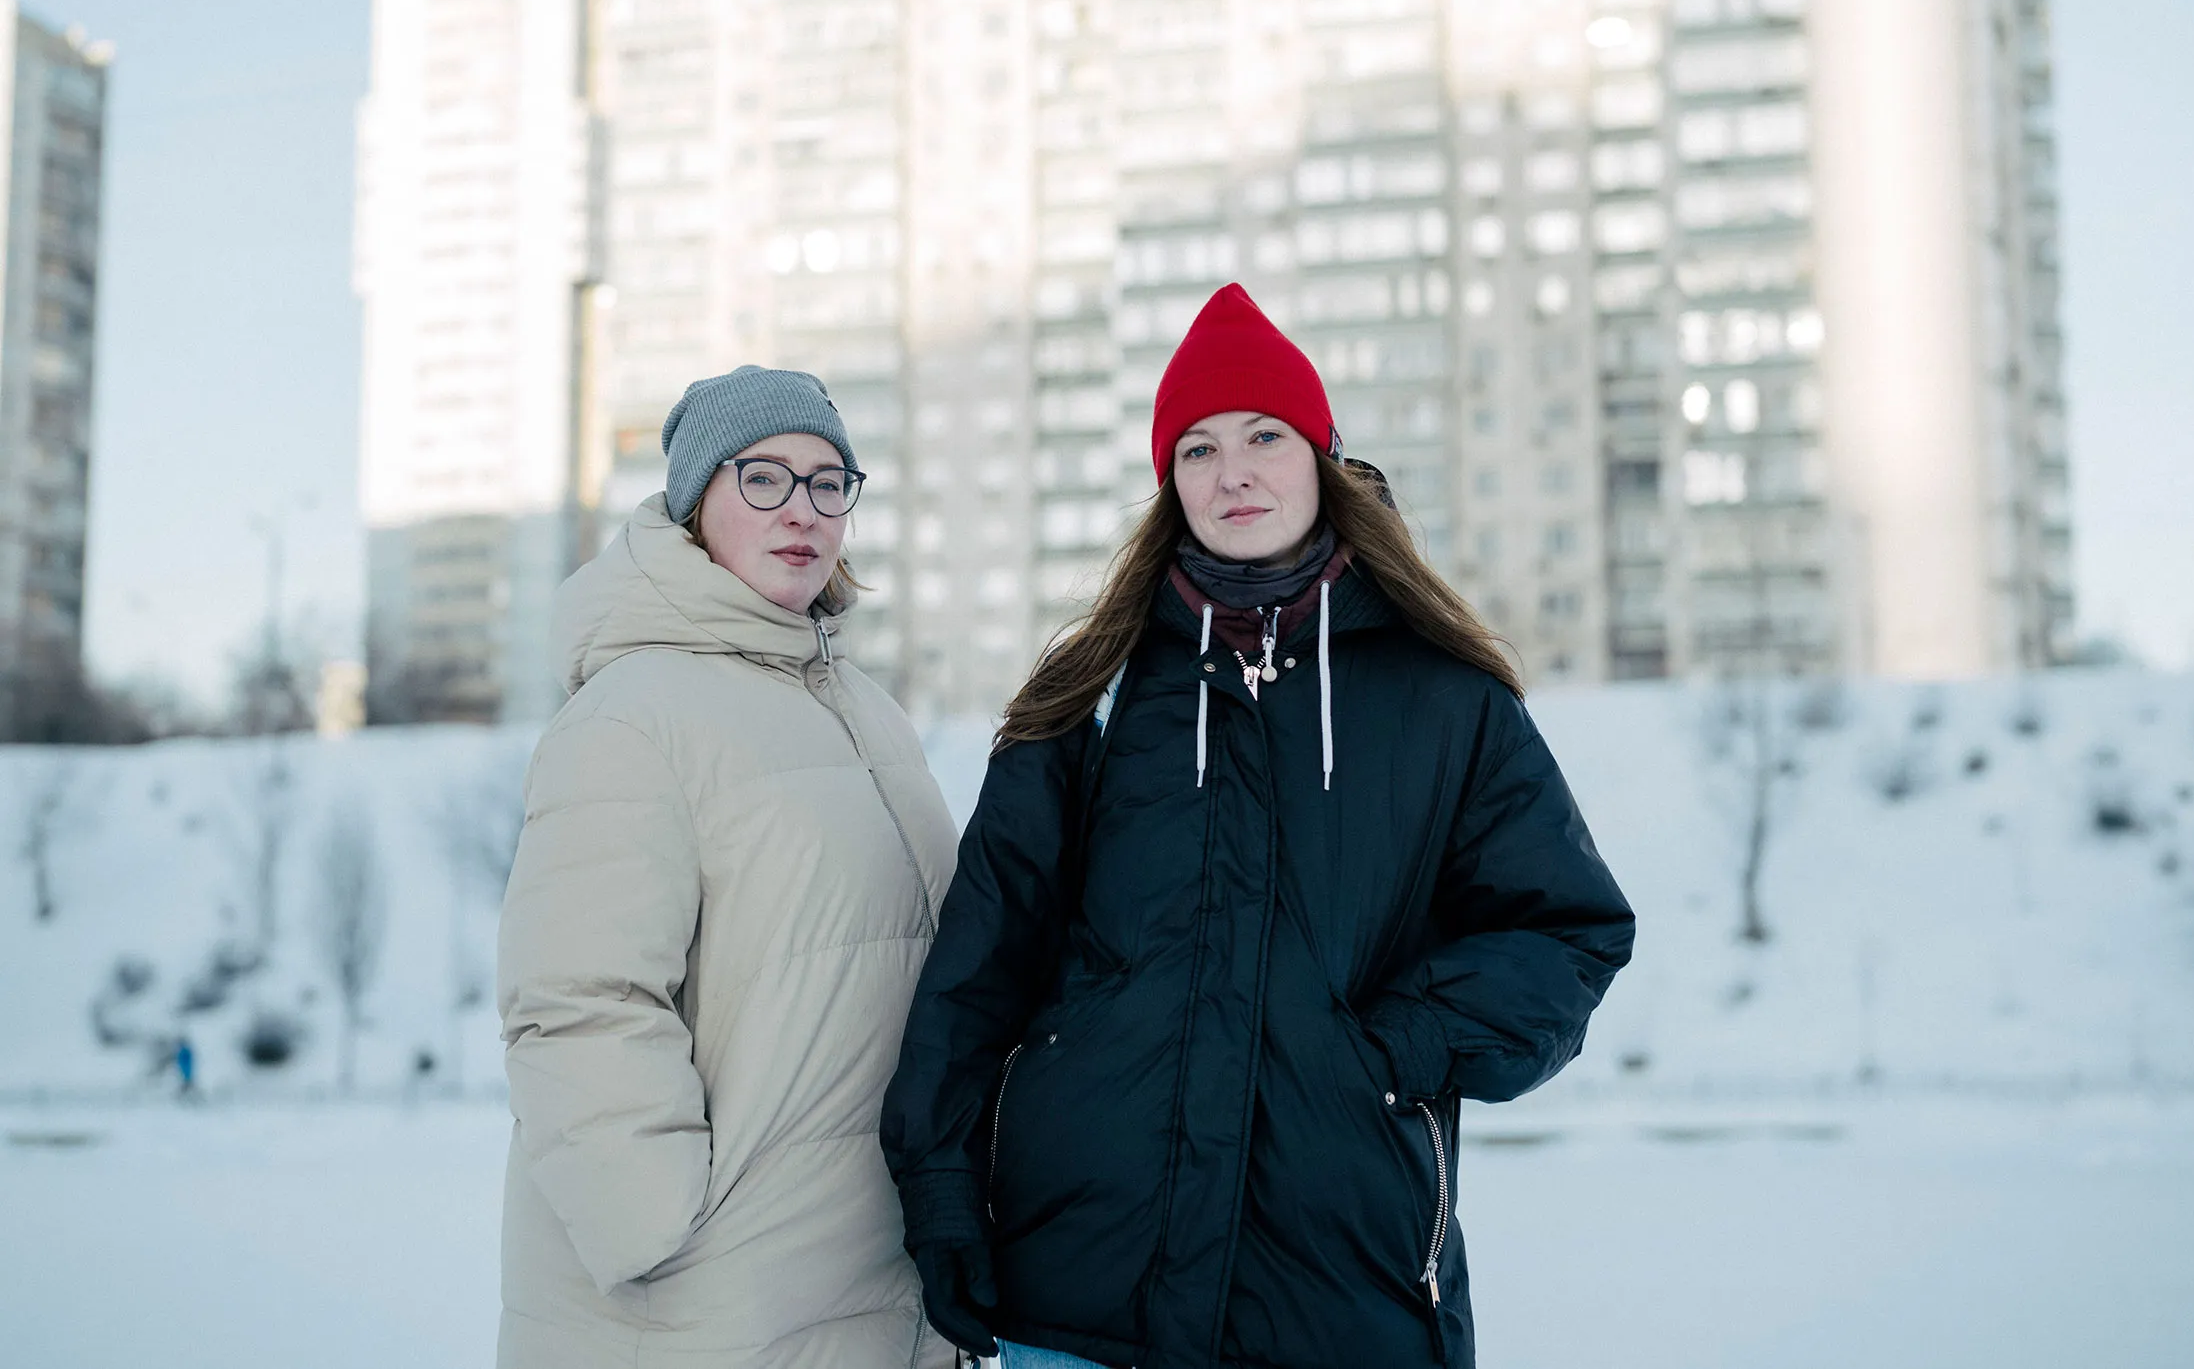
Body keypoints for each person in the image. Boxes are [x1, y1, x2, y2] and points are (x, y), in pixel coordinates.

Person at [882, 284, 1635, 1369]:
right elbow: (981, 962)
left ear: (1320, 456)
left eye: (1262, 436)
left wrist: (1403, 1043)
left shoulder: (1443, 700)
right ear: (1166, 484)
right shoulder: (1089, 691)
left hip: (1343, 1290)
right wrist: (943, 1186)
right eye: (1195, 448)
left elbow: (1567, 930)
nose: (1230, 470)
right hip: (1083, 1284)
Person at [498, 366, 960, 1369]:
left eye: (828, 481)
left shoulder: (868, 715)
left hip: (875, 1281)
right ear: (694, 501)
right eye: (763, 478)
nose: (802, 509)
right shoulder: (633, 714)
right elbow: (577, 1001)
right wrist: (657, 1233)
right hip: (713, 1305)